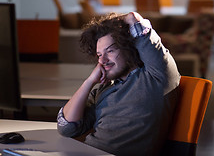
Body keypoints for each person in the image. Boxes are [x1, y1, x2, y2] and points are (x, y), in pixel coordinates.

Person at [57, 12, 180, 156]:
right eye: (99, 55)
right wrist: (89, 81)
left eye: (110, 51)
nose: (103, 61)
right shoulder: (104, 89)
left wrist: (111, 24)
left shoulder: (156, 76)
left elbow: (134, 19)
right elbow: (66, 128)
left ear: (128, 48)